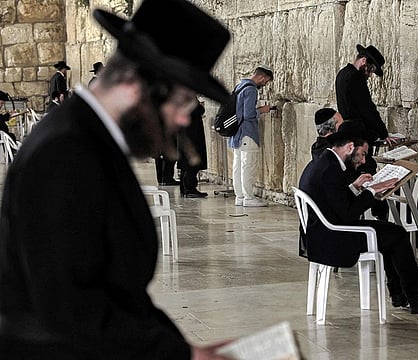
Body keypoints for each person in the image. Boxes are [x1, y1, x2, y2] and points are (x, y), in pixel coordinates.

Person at [0, 1, 234, 359]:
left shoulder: (90, 138)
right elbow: (69, 306)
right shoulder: (67, 151)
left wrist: (185, 350)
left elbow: (117, 291)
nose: (186, 119)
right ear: (137, 84)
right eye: (183, 101)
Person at [299, 129, 418, 314]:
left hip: (324, 231)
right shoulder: (330, 170)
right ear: (350, 147)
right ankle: (415, 297)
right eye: (362, 154)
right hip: (333, 237)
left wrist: (355, 187)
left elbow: (334, 202)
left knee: (390, 233)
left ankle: (401, 293)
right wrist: (370, 192)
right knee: (397, 235)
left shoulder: (324, 163)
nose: (362, 161)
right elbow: (348, 214)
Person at [335, 44, 400, 175]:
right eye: (370, 69)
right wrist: (383, 133)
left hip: (346, 131)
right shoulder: (356, 78)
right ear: (363, 60)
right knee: (365, 170)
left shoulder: (342, 73)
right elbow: (367, 109)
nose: (370, 74)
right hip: (357, 133)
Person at [228, 65, 274, 207]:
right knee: (248, 165)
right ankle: (248, 198)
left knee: (238, 165)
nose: (265, 84)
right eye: (266, 82)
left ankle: (240, 196)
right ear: (261, 77)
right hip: (247, 133)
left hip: (236, 133)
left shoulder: (240, 86)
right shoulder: (251, 89)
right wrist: (262, 110)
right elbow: (248, 114)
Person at [177, 97, 208, 198]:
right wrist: (201, 106)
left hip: (185, 133)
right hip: (192, 134)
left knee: (185, 163)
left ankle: (184, 189)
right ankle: (190, 189)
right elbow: (197, 110)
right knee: (191, 163)